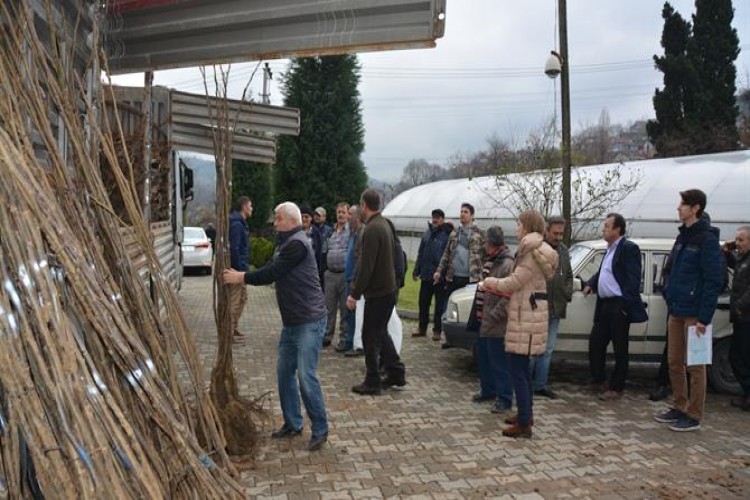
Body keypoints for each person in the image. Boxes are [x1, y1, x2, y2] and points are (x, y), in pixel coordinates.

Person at [223, 202, 329, 452]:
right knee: (284, 374)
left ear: (291, 221)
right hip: (292, 322)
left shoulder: (297, 244)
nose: (275, 222)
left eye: (279, 219)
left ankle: (321, 429)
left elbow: (273, 272)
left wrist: (242, 276)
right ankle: (293, 423)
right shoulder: (286, 242)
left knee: (306, 376)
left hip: (309, 321)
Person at [479, 210, 558, 438]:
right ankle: (526, 413)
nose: (517, 228)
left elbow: (514, 282)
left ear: (527, 226)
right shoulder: (537, 250)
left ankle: (524, 422)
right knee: (521, 369)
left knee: (518, 371)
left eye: (519, 224)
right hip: (529, 315)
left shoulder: (529, 252)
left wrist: (489, 282)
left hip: (525, 318)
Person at [655, 189, 722, 432]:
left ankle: (694, 415)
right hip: (677, 309)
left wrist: (704, 317)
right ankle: (679, 406)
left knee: (696, 365)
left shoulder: (706, 239)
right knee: (674, 361)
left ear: (696, 208)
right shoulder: (682, 237)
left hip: (695, 313)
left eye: (683, 204)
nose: (678, 207)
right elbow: (671, 270)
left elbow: (714, 280)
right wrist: (668, 293)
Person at [346, 188, 406, 395]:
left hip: (379, 293)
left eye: (359, 206)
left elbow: (366, 266)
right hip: (387, 291)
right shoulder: (384, 224)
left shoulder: (372, 229)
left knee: (369, 336)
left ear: (363, 205)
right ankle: (396, 372)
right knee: (380, 333)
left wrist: (354, 293)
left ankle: (372, 381)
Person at [583, 213, 648, 401]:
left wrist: (625, 305)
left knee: (620, 348)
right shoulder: (609, 249)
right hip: (604, 304)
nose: (603, 229)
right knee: (596, 343)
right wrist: (591, 283)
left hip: (619, 304)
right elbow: (604, 272)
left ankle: (616, 387)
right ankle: (598, 379)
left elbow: (633, 279)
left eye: (607, 226)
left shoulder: (629, 248)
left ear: (617, 229)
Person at [472, 226, 514, 416]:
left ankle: (504, 398)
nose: (484, 247)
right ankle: (488, 390)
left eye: (486, 243)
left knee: (499, 362)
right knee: (484, 358)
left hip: (496, 322)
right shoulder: (492, 260)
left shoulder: (506, 264)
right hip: (484, 319)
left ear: (492, 244)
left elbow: (508, 296)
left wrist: (494, 315)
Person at [530, 216, 573, 399]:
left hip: (556, 307)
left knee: (547, 349)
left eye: (561, 233)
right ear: (546, 231)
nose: (558, 236)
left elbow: (569, 275)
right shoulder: (537, 249)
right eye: (555, 233)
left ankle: (540, 384)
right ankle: (525, 385)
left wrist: (567, 293)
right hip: (539, 307)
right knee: (533, 348)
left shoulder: (563, 251)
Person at [433, 203, 485, 344]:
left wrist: (484, 274)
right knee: (449, 307)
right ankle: (449, 336)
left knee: (468, 310)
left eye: (466, 212)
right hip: (453, 277)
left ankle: (469, 338)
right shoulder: (454, 232)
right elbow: (446, 253)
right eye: (461, 211)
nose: (462, 214)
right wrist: (439, 271)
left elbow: (485, 255)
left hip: (472, 278)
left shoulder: (479, 233)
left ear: (472, 215)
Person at [412, 209, 451, 339]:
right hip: (426, 274)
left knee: (439, 305)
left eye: (438, 217)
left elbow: (448, 257)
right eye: (434, 217)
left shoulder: (447, 235)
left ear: (443, 219)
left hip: (440, 277)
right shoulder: (427, 234)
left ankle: (437, 330)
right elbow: (420, 253)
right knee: (423, 303)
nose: (435, 220)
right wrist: (416, 270)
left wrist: (443, 273)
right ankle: (422, 328)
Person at [725, 226, 750, 411]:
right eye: (737, 239)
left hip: (746, 317)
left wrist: (740, 306)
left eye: (741, 240)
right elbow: (735, 265)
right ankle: (746, 394)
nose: (738, 243)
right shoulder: (743, 260)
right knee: (739, 356)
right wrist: (727, 251)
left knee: (739, 356)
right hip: (741, 317)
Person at [338, 204, 365, 354]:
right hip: (347, 278)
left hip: (354, 280)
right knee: (348, 313)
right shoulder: (352, 233)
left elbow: (360, 260)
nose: (347, 217)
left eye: (350, 214)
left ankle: (355, 343)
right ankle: (349, 341)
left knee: (354, 313)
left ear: (358, 216)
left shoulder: (362, 233)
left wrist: (354, 280)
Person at [323, 202, 350, 348]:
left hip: (344, 275)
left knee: (344, 309)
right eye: (338, 212)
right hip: (330, 275)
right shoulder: (330, 231)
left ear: (348, 214)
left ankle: (344, 338)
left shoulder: (351, 231)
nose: (340, 215)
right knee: (329, 308)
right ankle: (327, 336)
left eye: (343, 212)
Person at [228, 196, 253, 342]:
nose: (252, 208)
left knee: (242, 299)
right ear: (244, 206)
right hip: (237, 270)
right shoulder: (237, 224)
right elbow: (235, 249)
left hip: (241, 269)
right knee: (235, 300)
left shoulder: (241, 223)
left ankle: (234, 327)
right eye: (250, 205)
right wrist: (237, 271)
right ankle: (229, 332)